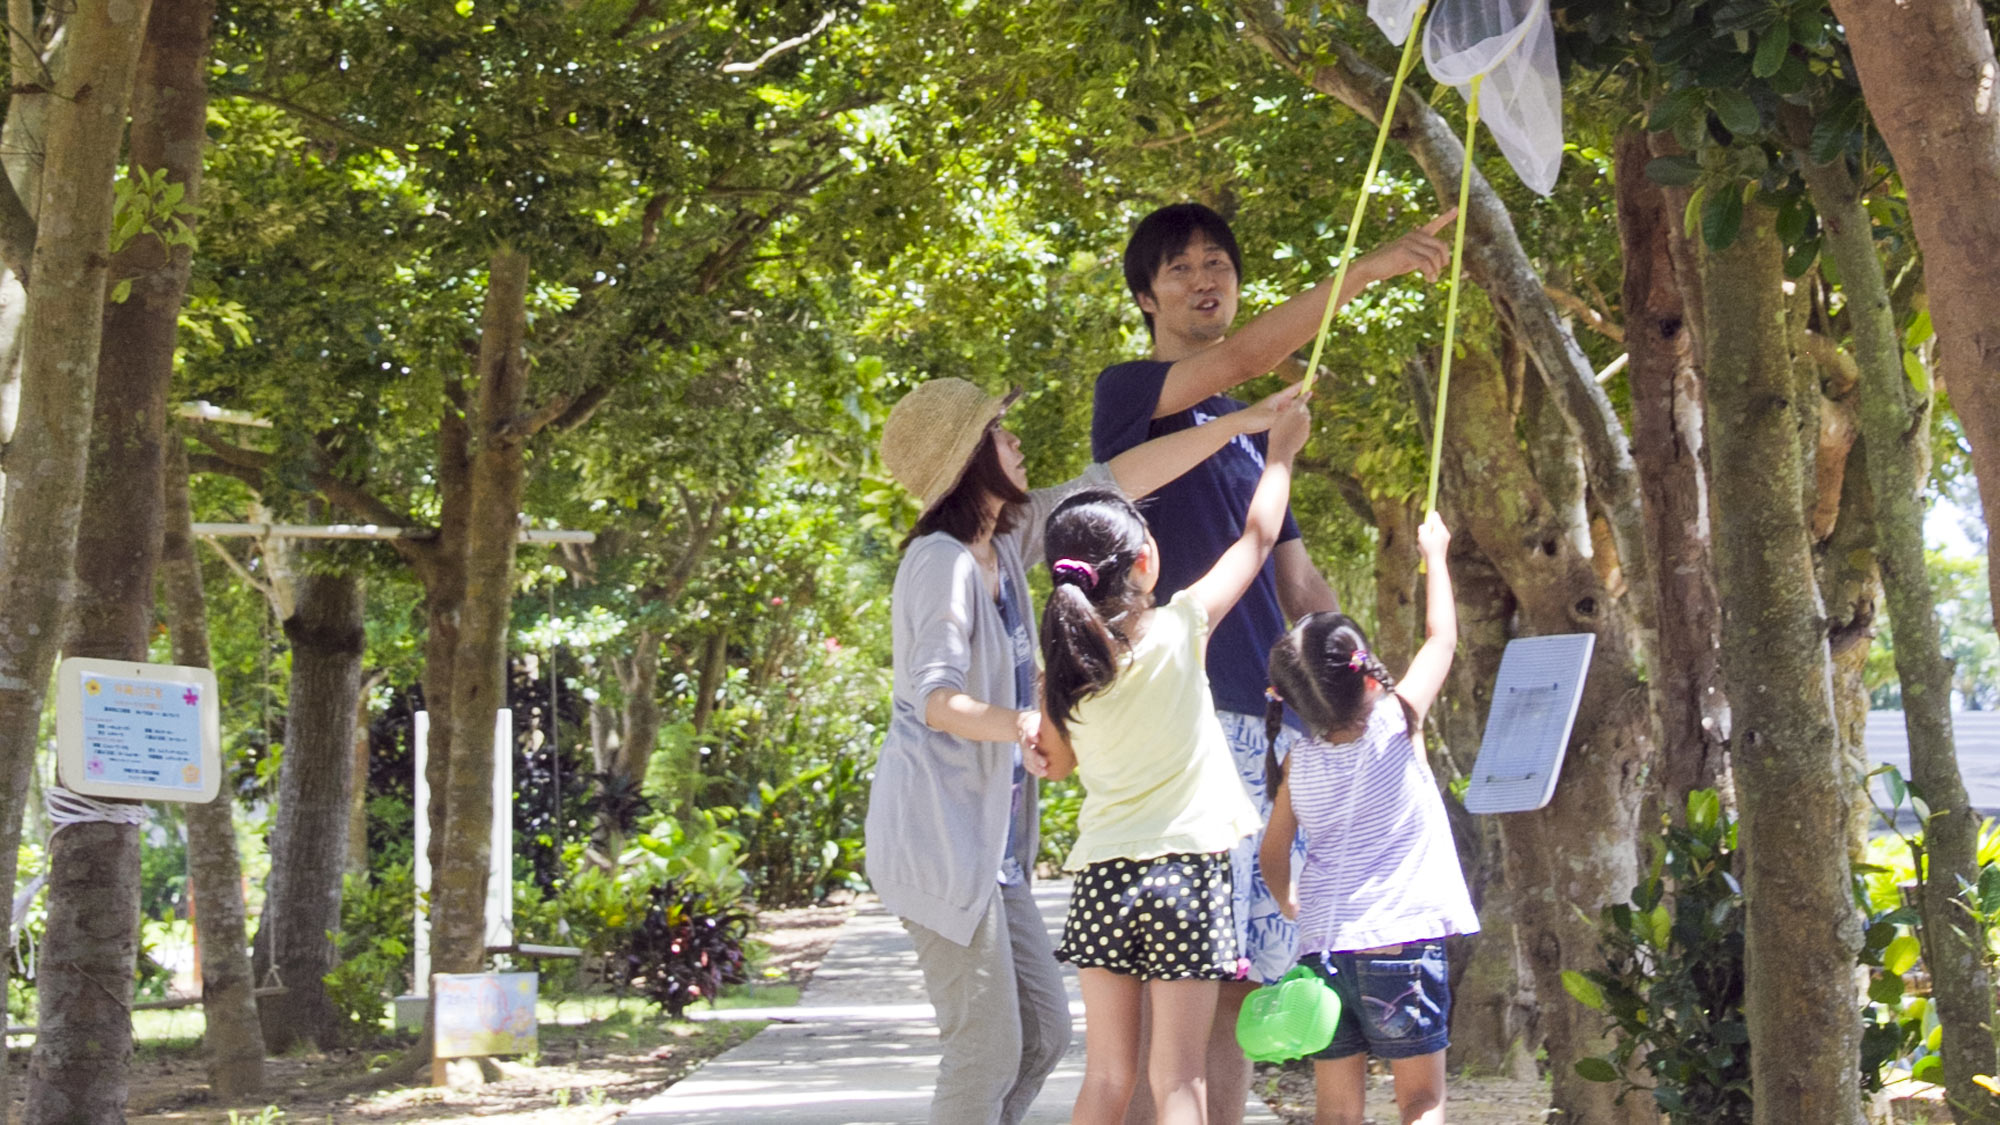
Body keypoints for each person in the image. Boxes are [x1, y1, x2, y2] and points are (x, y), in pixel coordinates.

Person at [1090, 201, 1453, 1123]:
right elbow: (1245, 358)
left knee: (1238, 975)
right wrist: (1369, 267)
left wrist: (1363, 683)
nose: (1205, 280)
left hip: (1264, 722)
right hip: (1190, 720)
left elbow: (1296, 576)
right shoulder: (1130, 394)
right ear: (1144, 296)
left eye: (1219, 263)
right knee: (1172, 977)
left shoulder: (1248, 434)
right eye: (1180, 269)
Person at [866, 375, 1307, 1125]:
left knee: (1044, 1038)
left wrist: (1251, 423)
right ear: (971, 459)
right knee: (987, 1050)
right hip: (942, 841)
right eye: (1001, 434)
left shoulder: (1007, 539)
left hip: (1002, 849)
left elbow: (1115, 481)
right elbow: (934, 698)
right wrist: (1021, 725)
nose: (1017, 442)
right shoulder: (939, 562)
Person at [1031, 394, 1310, 1125]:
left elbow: (1055, 763)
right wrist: (1278, 454)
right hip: (1186, 873)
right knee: (1179, 1077)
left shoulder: (1061, 670)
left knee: (1107, 1078)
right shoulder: (1182, 625)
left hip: (1100, 876)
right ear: (1147, 561)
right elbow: (1255, 538)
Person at [1258, 513, 1475, 1125]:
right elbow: (1442, 640)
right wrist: (1436, 554)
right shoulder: (1397, 723)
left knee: (1335, 1107)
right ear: (1368, 680)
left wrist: (1291, 903)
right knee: (1422, 1100)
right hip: (1400, 943)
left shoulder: (1299, 761)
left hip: (1325, 950)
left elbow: (1272, 853)